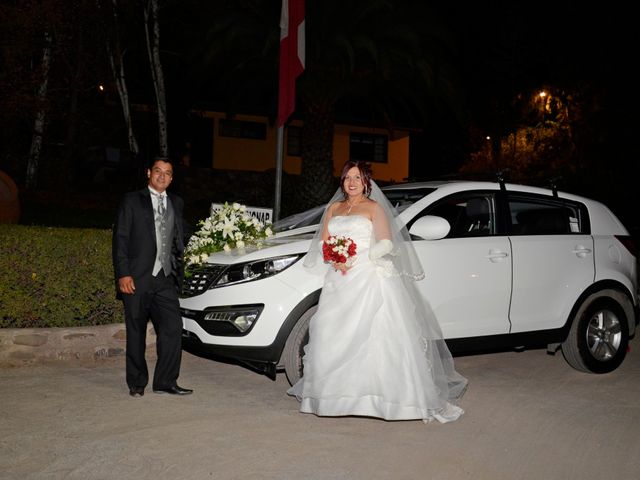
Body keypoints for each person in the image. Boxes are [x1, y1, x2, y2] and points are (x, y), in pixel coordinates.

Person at [288, 160, 467, 423]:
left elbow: (386, 242)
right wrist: (336, 257)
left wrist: (361, 257)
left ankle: (385, 401)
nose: (352, 182)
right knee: (332, 333)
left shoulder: (373, 208)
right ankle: (332, 398)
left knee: (376, 337)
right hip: (339, 279)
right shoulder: (334, 209)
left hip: (368, 275)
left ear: (366, 183)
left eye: (357, 178)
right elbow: (325, 242)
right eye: (348, 177)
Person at [112, 157, 192, 397]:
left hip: (165, 278)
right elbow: (121, 239)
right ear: (149, 173)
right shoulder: (132, 200)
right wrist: (123, 273)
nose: (162, 176)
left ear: (171, 178)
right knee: (135, 332)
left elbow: (183, 237)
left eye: (167, 173)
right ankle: (137, 383)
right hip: (137, 277)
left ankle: (165, 381)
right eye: (158, 171)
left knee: (173, 328)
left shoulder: (176, 203)